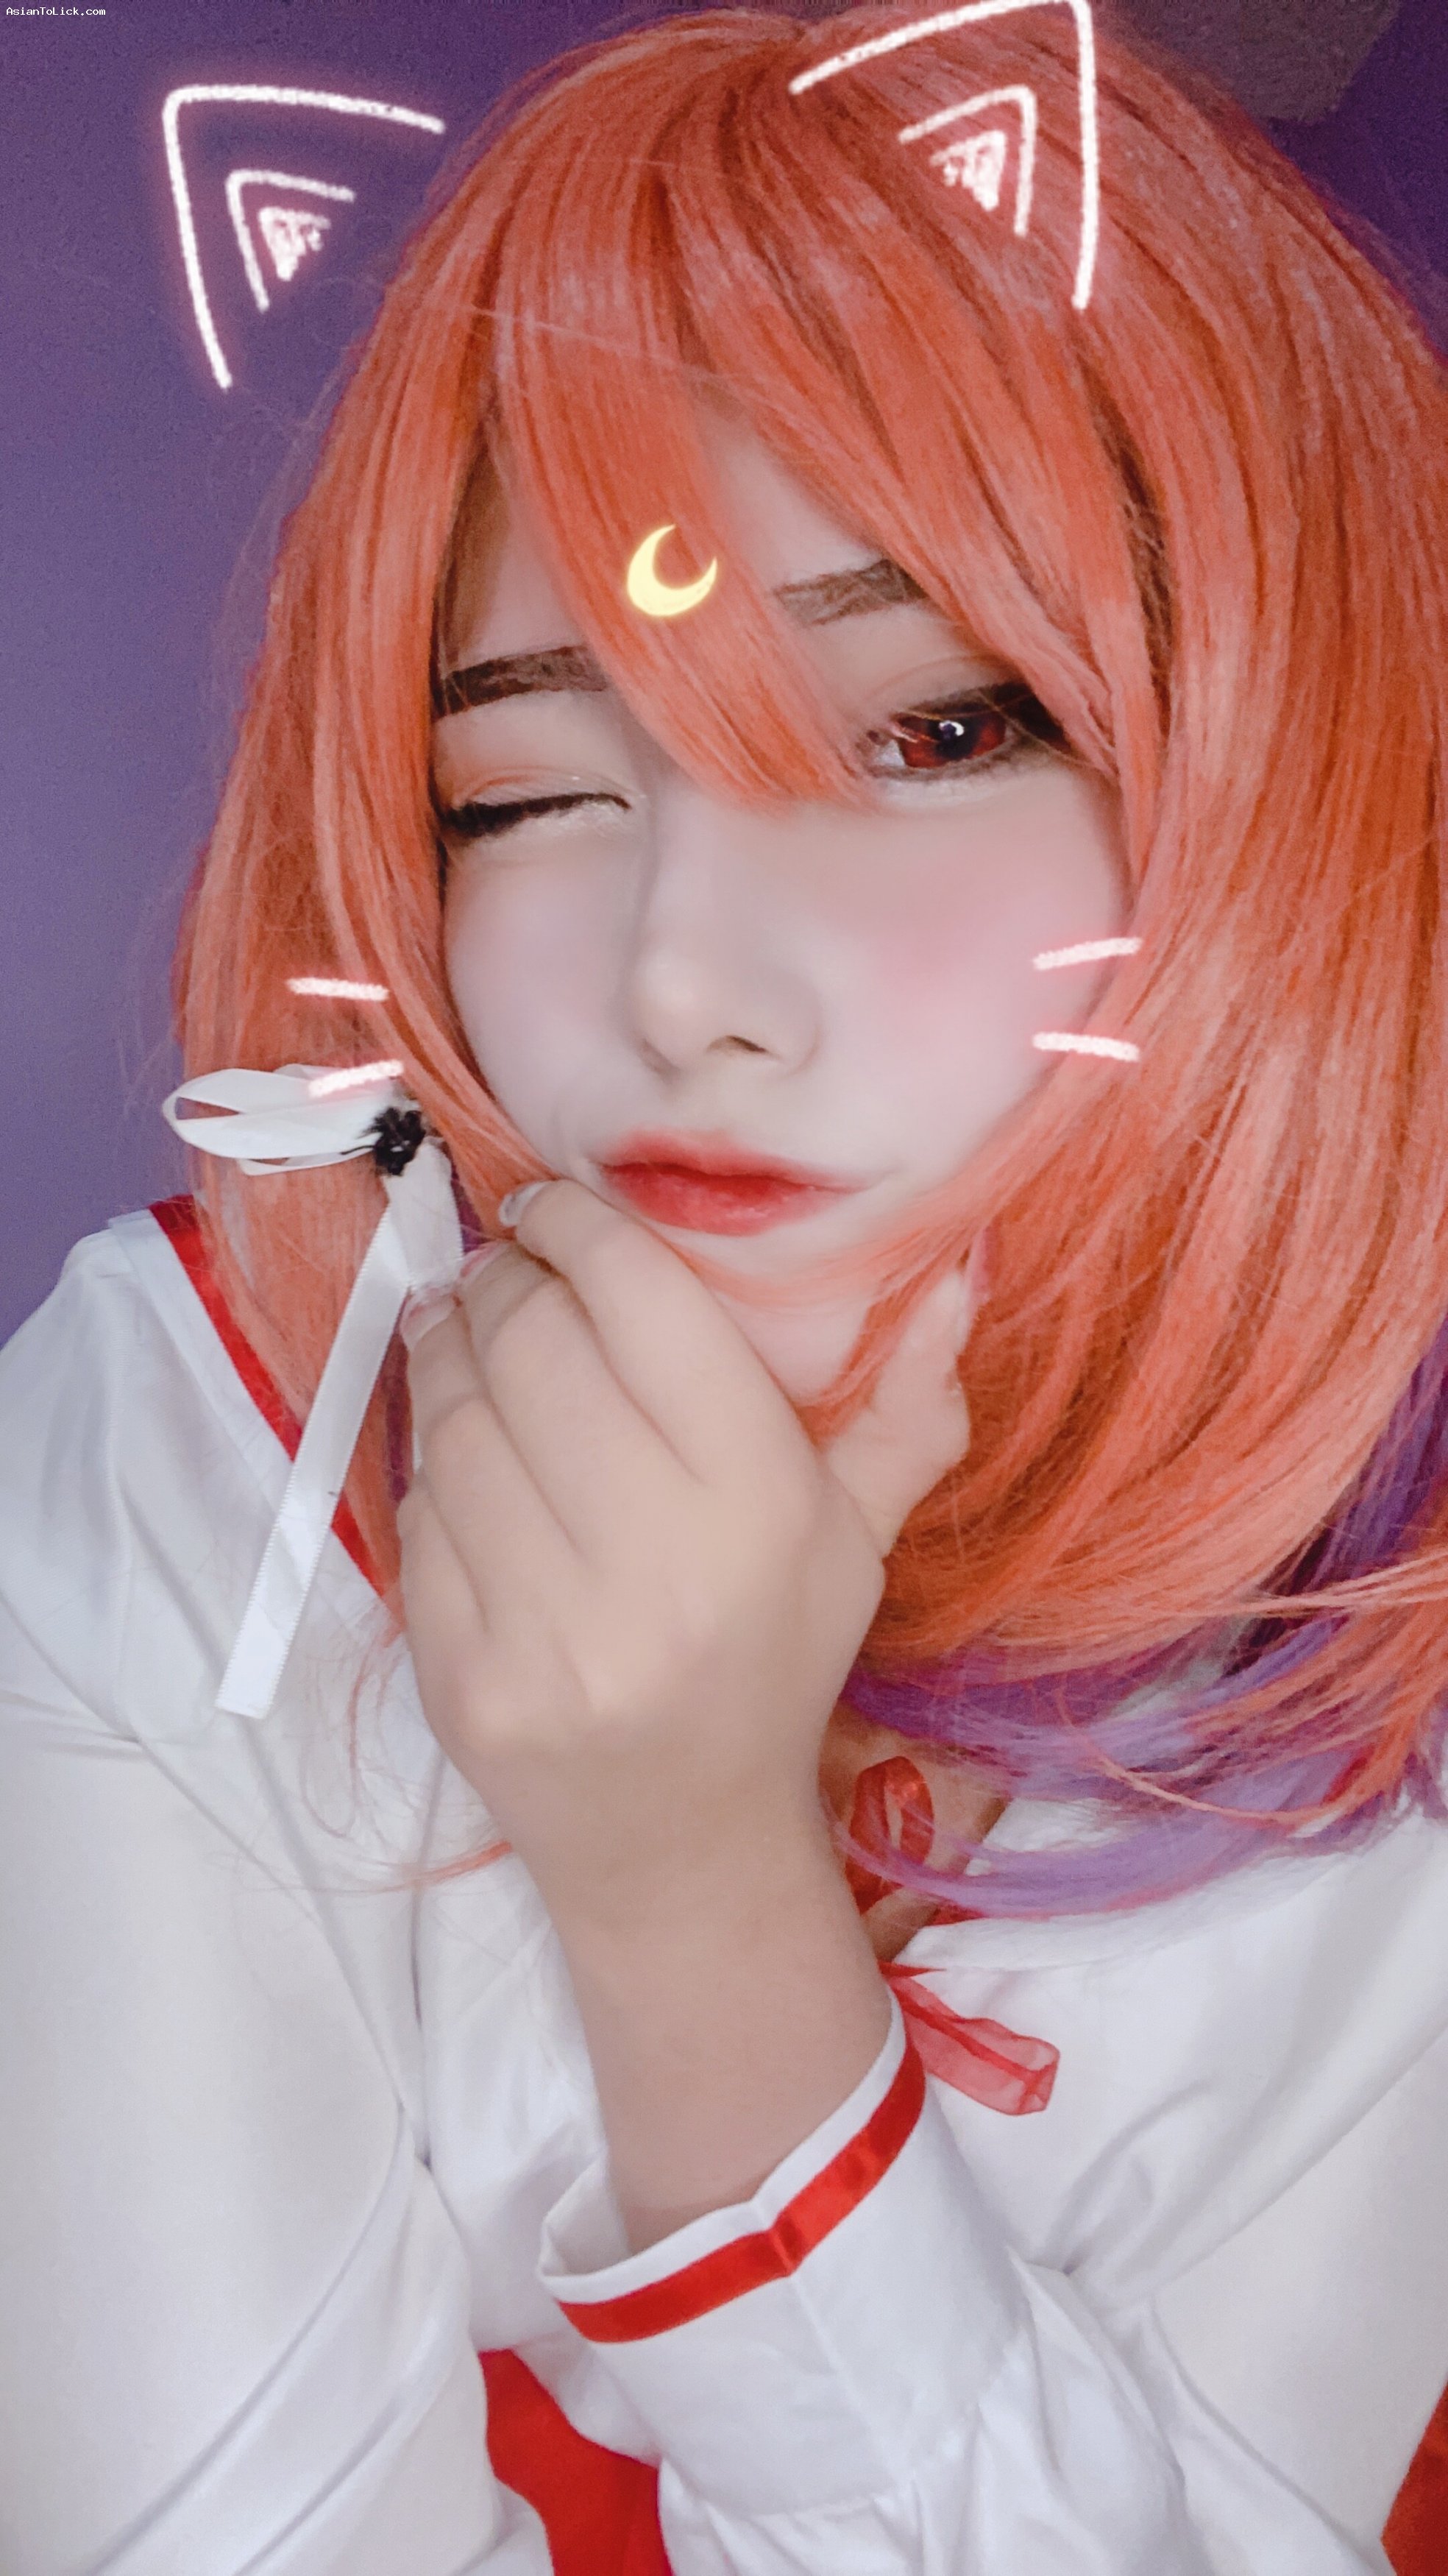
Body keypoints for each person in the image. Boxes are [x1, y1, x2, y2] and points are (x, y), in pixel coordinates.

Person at [3, 5, 1447, 2569]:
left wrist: (696, 1904)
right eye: (527, 787)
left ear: (1280, 781)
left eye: (933, 734)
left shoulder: (1374, 1686)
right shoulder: (193, 1446)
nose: (679, 978)